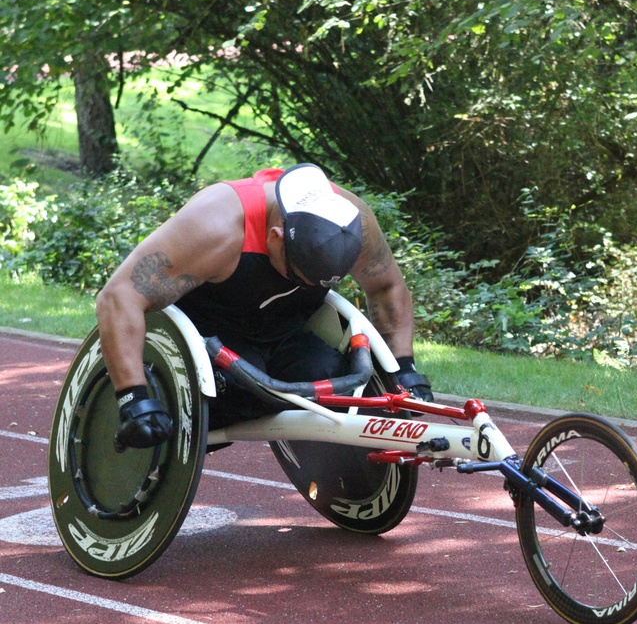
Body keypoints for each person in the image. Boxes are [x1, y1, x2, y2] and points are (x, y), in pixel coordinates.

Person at [95, 163, 433, 451]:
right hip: (208, 337)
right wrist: (133, 396)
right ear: (275, 237)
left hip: (284, 334)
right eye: (302, 277)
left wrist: (403, 368)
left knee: (342, 382)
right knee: (242, 392)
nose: (311, 288)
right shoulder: (217, 225)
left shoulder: (351, 222)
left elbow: (387, 286)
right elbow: (118, 296)